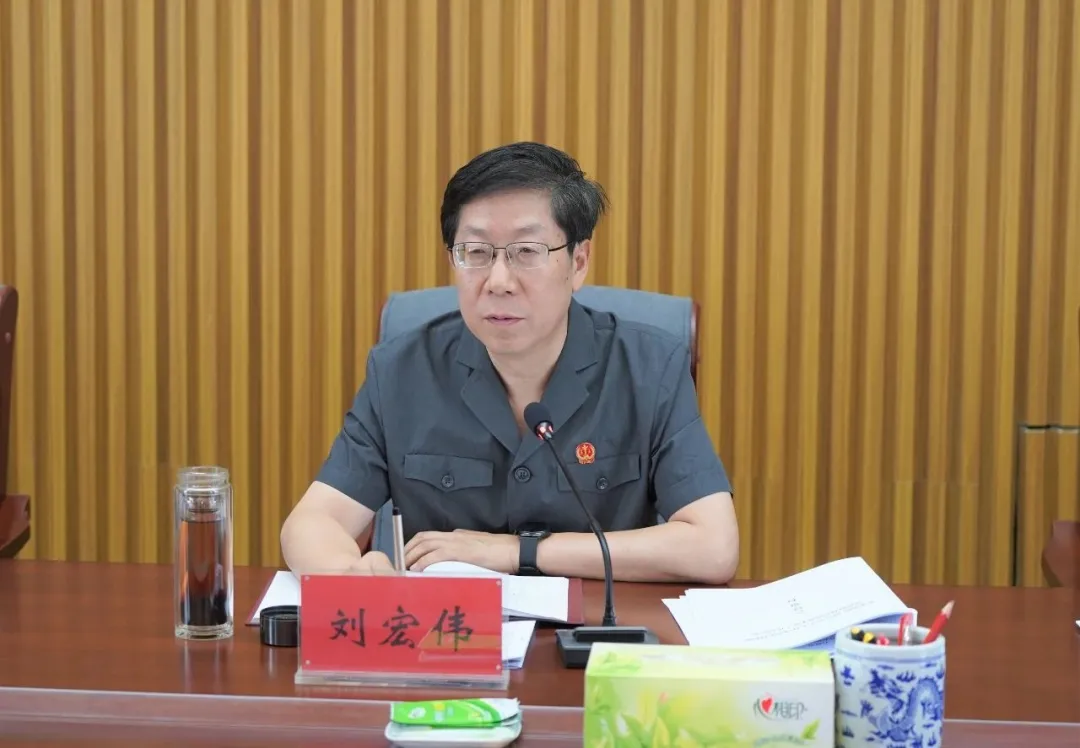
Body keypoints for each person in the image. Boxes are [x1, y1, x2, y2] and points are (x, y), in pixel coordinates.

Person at [280, 142, 739, 584]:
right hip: (447, 632)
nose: (498, 281)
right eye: (476, 253)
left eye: (527, 252)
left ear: (578, 262)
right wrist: (349, 576)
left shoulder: (649, 369)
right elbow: (313, 522)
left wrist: (517, 552)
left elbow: (713, 547)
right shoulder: (401, 371)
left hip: (592, 630)